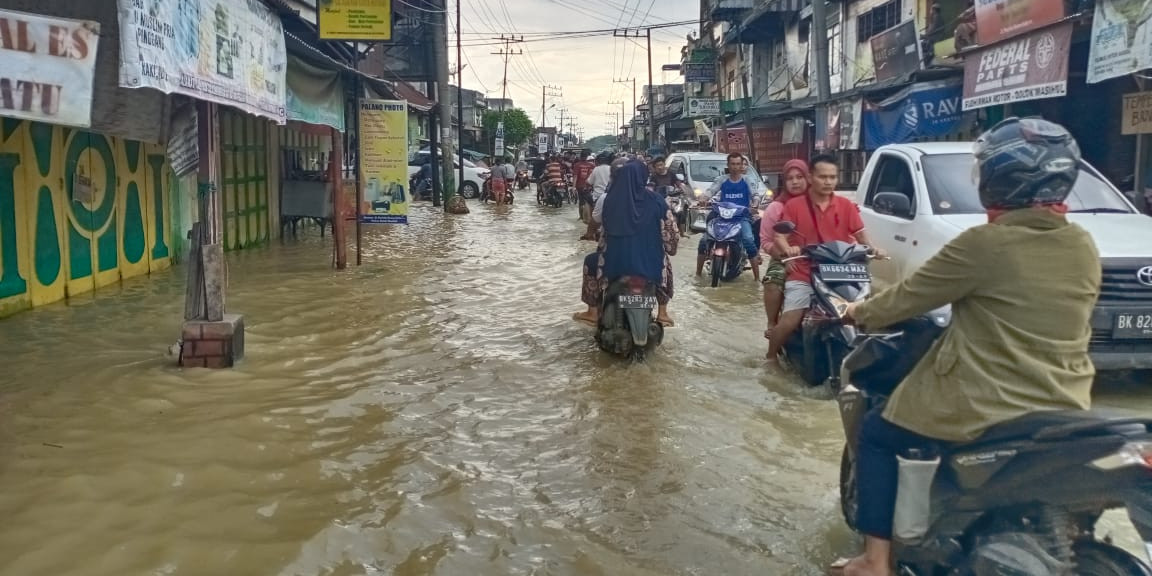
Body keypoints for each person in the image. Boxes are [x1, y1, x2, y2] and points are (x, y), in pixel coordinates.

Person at [833, 118, 1100, 576]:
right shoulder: (1081, 242)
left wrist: (856, 312)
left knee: (877, 432)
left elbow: (903, 299)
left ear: (999, 179)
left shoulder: (985, 242)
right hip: (1066, 400)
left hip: (986, 401)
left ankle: (875, 560)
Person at [766, 154, 886, 365]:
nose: (828, 181)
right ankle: (770, 356)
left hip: (842, 272)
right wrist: (788, 249)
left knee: (866, 314)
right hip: (805, 271)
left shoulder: (846, 206)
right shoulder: (794, 206)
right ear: (811, 177)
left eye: (832, 177)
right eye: (823, 177)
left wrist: (873, 249)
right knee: (791, 320)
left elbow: (860, 234)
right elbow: (779, 236)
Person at [573, 160, 677, 327]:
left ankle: (592, 312)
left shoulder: (607, 200)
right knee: (666, 264)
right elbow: (670, 237)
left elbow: (596, 223)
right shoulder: (657, 201)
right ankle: (663, 313)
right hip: (649, 264)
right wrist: (669, 249)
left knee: (590, 261)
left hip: (612, 264)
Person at [760, 159, 810, 339]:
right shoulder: (776, 207)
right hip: (784, 258)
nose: (795, 182)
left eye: (799, 177)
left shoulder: (820, 204)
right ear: (784, 182)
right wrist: (786, 258)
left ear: (808, 178)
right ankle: (772, 323)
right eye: (790, 178)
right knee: (774, 281)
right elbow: (766, 241)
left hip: (819, 258)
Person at [694, 152, 762, 278]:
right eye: (732, 164)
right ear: (728, 165)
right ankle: (698, 274)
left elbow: (755, 195)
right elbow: (710, 191)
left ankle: (756, 278)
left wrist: (755, 203)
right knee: (704, 241)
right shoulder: (722, 179)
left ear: (742, 165)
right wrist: (703, 198)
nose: (735, 167)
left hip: (741, 217)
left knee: (748, 240)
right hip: (722, 218)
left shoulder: (748, 180)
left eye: (738, 164)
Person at [573, 153, 596, 221]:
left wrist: (573, 187)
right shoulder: (592, 165)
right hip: (590, 186)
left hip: (580, 186)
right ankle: (588, 217)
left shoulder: (577, 165)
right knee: (588, 201)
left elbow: (575, 176)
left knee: (582, 202)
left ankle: (582, 217)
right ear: (586, 157)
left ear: (580, 157)